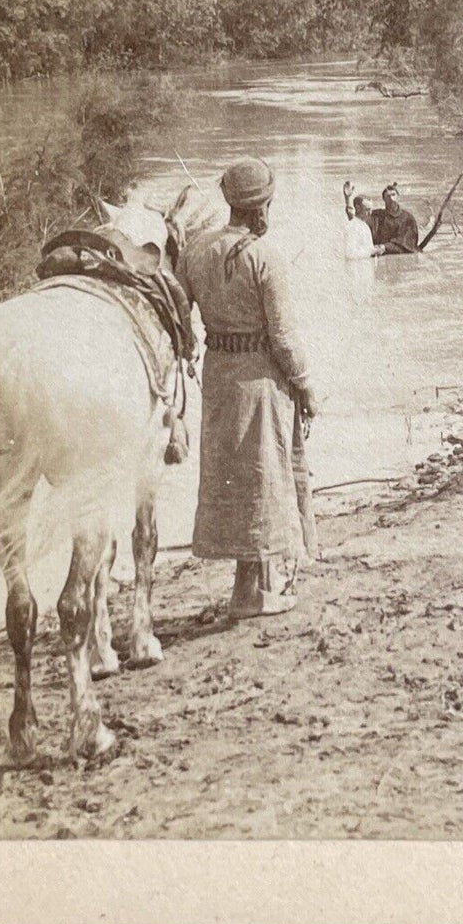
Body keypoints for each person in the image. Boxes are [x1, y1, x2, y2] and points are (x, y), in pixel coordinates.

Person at [179, 157, 317, 618]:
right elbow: (283, 337)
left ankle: (251, 585)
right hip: (260, 377)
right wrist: (305, 385)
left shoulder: (195, 250)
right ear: (264, 206)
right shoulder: (266, 256)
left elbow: (180, 316)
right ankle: (252, 594)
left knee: (234, 476)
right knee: (263, 476)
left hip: (219, 375)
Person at [368, 183, 420, 254]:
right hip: (378, 252)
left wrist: (385, 247)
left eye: (393, 195)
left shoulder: (407, 218)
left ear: (397, 196)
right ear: (384, 198)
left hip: (400, 256)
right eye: (388, 196)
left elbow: (407, 244)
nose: (391, 198)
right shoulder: (376, 215)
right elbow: (358, 220)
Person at [341, 183, 385, 260]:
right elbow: (349, 254)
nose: (370, 213)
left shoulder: (363, 225)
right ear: (358, 208)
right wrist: (372, 251)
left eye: (371, 209)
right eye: (367, 210)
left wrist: (374, 249)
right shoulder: (352, 227)